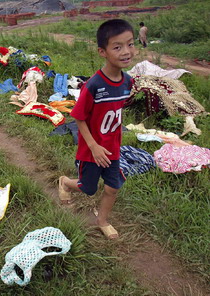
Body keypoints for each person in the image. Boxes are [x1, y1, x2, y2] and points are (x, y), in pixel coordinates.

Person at [58, 19, 135, 240]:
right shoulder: (93, 85)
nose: (126, 51)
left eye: (130, 44)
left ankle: (102, 220)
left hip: (113, 149)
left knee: (113, 187)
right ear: (102, 51)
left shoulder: (127, 81)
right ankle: (65, 182)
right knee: (88, 188)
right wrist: (93, 146)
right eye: (117, 47)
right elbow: (78, 118)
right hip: (91, 151)